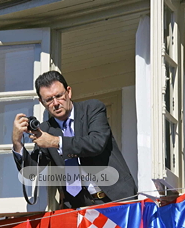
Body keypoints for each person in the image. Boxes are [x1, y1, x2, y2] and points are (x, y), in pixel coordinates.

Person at [12, 71, 137, 208]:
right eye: (49, 100)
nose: (56, 103)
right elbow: (31, 171)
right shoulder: (46, 130)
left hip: (117, 198)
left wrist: (55, 142)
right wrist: (17, 141)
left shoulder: (92, 109)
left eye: (59, 96)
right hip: (80, 207)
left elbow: (96, 143)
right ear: (42, 102)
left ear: (68, 92)